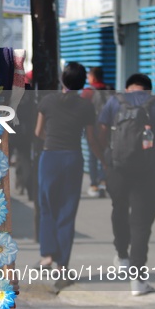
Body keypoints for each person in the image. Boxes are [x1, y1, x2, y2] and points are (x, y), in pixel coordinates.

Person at [97, 73, 155, 296]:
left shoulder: (114, 102)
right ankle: (137, 280)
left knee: (118, 208)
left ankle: (122, 256)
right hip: (147, 172)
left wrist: (106, 160)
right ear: (148, 89)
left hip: (118, 168)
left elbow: (101, 134)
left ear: (128, 88)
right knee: (142, 222)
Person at [35, 62, 99, 288]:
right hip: (73, 158)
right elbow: (91, 140)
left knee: (47, 207)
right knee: (67, 212)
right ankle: (62, 269)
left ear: (62, 79)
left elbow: (38, 132)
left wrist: (52, 142)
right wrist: (102, 159)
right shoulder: (86, 107)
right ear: (83, 83)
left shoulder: (47, 101)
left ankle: (47, 256)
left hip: (50, 157)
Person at [81, 66, 113, 198]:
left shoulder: (88, 92)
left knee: (93, 155)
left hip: (92, 127)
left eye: (88, 76)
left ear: (93, 77)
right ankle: (104, 181)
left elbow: (82, 109)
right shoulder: (110, 89)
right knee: (107, 153)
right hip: (109, 127)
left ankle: (94, 183)